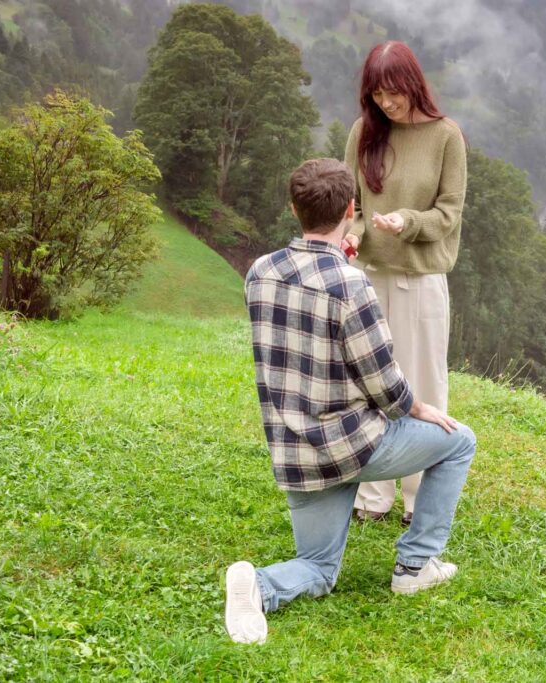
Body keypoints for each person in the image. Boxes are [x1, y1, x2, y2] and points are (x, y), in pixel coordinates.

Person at [224, 158, 476, 645]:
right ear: (351, 210)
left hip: (297, 453)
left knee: (318, 569)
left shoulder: (260, 272)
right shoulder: (350, 284)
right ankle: (415, 565)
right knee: (459, 441)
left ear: (294, 208)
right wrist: (420, 408)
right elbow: (382, 382)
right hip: (357, 444)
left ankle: (259, 583)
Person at [342, 41, 467, 526]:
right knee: (370, 384)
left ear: (413, 84)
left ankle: (418, 498)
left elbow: (449, 214)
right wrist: (351, 238)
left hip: (420, 279)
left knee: (423, 385)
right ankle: (374, 495)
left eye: (393, 93)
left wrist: (408, 222)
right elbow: (351, 206)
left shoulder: (445, 136)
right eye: (376, 95)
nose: (386, 104)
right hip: (368, 276)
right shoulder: (364, 132)